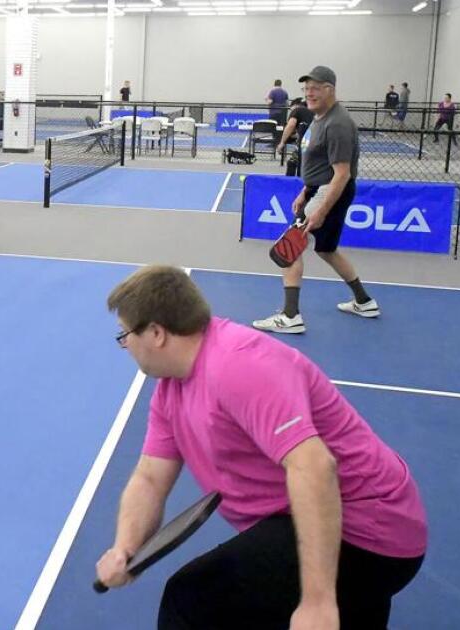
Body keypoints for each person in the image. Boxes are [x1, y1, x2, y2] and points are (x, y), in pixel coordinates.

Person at [98, 265, 426, 629]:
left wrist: (317, 601)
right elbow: (150, 479)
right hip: (325, 520)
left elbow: (314, 467)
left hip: (367, 531)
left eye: (125, 334)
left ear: (156, 332)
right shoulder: (171, 389)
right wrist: (125, 547)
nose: (124, 344)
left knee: (190, 599)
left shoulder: (238, 366)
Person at [253, 66, 376, 334]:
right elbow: (321, 166)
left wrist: (319, 209)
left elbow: (341, 175)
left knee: (289, 248)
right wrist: (305, 191)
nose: (309, 93)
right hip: (317, 190)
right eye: (306, 88)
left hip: (329, 192)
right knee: (326, 250)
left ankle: (290, 316)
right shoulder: (321, 117)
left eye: (315, 88)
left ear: (330, 89)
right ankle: (364, 301)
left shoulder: (338, 123)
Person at [277, 97, 314, 175]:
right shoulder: (313, 112)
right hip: (318, 141)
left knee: (293, 162)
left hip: (306, 143)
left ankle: (291, 184)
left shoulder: (297, 110)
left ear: (295, 105)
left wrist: (282, 142)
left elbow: (290, 126)